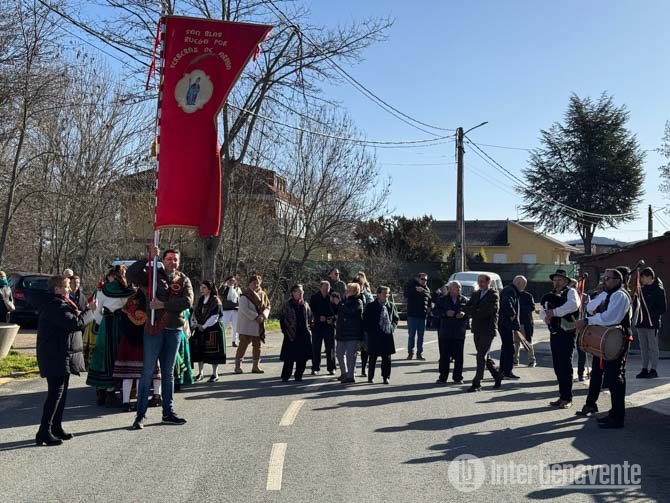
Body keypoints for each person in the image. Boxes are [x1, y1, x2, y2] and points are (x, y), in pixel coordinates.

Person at [126, 247, 194, 430]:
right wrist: (149, 257)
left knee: (168, 373)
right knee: (147, 372)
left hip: (174, 330)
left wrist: (163, 304)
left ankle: (168, 413)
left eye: (175, 259)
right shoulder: (152, 275)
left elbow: (187, 302)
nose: (173, 262)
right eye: (169, 258)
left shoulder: (184, 280)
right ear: (163, 260)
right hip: (154, 329)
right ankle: (140, 415)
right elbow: (131, 274)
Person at [35, 275, 96, 445]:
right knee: (55, 394)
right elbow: (75, 323)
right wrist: (90, 310)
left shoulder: (64, 303)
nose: (70, 289)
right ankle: (44, 431)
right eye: (67, 286)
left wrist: (85, 310)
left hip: (63, 354)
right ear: (57, 289)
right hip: (55, 355)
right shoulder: (55, 305)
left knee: (61, 394)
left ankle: (56, 427)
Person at [575, 268, 632, 428]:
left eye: (607, 278)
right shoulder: (608, 294)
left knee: (615, 377)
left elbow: (610, 318)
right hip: (606, 339)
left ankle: (617, 417)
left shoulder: (620, 295)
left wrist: (588, 321)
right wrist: (601, 296)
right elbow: (590, 307)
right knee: (599, 373)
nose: (604, 281)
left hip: (616, 340)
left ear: (617, 280)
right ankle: (601, 408)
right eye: (603, 278)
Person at [86, 266, 136, 408]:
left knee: (104, 357)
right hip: (123, 325)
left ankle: (104, 391)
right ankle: (111, 392)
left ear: (111, 276)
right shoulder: (130, 291)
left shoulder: (103, 290)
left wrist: (102, 323)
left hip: (107, 325)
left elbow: (97, 312)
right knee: (118, 356)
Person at [112, 288, 162, 412]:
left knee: (128, 374)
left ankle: (125, 402)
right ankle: (141, 400)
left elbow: (122, 326)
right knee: (141, 374)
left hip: (128, 343)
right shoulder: (149, 310)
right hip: (145, 342)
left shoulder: (126, 309)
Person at [540, 269, 580, 409]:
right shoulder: (549, 295)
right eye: (555, 280)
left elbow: (573, 305)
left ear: (566, 281)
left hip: (567, 333)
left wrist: (554, 312)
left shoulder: (571, 292)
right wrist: (545, 317)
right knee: (558, 366)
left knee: (565, 365)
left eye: (560, 280)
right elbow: (543, 310)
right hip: (555, 333)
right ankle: (562, 396)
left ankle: (568, 398)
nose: (557, 282)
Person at [463, 274, 502, 392]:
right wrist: (475, 311)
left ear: (488, 282)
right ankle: (497, 375)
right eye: (479, 281)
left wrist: (474, 311)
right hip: (477, 329)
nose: (480, 283)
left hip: (488, 330)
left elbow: (488, 312)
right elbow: (467, 307)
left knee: (480, 356)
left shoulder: (493, 295)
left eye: (482, 281)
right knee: (484, 356)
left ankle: (477, 382)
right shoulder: (476, 294)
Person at [190, 281, 227, 382]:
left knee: (214, 353)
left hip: (213, 329)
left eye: (204, 288)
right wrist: (196, 324)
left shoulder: (216, 301)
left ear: (209, 289)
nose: (201, 289)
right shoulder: (201, 299)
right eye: (201, 287)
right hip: (200, 328)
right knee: (200, 351)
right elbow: (196, 312)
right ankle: (200, 373)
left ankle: (215, 374)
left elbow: (215, 317)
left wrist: (204, 326)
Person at [434, 280, 469, 384]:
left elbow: (470, 312)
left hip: (459, 333)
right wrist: (445, 313)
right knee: (444, 356)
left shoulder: (464, 300)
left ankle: (458, 378)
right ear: (450, 289)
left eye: (460, 287)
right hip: (445, 332)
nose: (459, 289)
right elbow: (435, 312)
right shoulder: (442, 299)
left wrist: (464, 314)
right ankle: (443, 377)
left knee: (459, 357)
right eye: (456, 287)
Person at [235, 275, 271, 374]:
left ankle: (255, 366)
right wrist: (256, 316)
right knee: (243, 346)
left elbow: (268, 306)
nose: (256, 285)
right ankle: (237, 366)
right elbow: (244, 309)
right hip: (247, 325)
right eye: (254, 283)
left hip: (259, 325)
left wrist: (263, 315)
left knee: (257, 346)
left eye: (258, 283)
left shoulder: (263, 294)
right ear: (249, 283)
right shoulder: (244, 295)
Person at [635, 267, 667, 379]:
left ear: (649, 277)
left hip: (652, 323)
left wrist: (651, 315)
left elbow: (662, 308)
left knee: (653, 347)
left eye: (643, 277)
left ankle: (653, 369)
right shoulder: (641, 290)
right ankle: (644, 368)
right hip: (641, 323)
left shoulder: (658, 290)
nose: (641, 280)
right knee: (643, 347)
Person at [364, 286, 399, 385]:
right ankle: (370, 377)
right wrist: (370, 332)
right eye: (384, 293)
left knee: (386, 358)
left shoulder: (391, 305)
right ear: (378, 294)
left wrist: (391, 328)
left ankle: (386, 377)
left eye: (388, 293)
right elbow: (365, 320)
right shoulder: (371, 306)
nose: (386, 295)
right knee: (373, 357)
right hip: (374, 335)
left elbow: (395, 319)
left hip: (387, 335)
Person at [280, 284, 313, 382]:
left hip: (304, 334)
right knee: (289, 357)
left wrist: (310, 329)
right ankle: (286, 375)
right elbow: (282, 319)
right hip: (291, 334)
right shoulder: (287, 305)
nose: (301, 293)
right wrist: (285, 331)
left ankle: (299, 375)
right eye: (298, 291)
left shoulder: (305, 304)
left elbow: (310, 318)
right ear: (293, 293)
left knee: (302, 357)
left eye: (302, 291)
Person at [336, 283, 364, 383]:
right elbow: (338, 312)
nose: (347, 291)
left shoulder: (358, 302)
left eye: (349, 290)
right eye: (347, 289)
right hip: (341, 332)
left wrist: (341, 304)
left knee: (351, 355)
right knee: (339, 353)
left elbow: (350, 312)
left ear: (355, 292)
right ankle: (344, 373)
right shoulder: (344, 301)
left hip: (352, 332)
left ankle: (350, 375)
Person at [499, 276, 526, 379]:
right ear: (519, 283)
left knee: (506, 347)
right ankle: (507, 372)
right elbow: (507, 302)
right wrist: (512, 313)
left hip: (504, 323)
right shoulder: (511, 291)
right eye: (523, 285)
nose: (523, 288)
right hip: (507, 324)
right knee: (509, 348)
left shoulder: (508, 289)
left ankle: (502, 371)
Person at [309, 281, 338, 375]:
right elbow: (311, 311)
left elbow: (337, 311)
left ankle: (331, 368)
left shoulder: (333, 297)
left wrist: (330, 319)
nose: (326, 290)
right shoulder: (314, 297)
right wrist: (318, 318)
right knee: (316, 348)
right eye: (324, 288)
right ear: (320, 288)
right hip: (317, 326)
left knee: (331, 348)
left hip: (329, 326)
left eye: (327, 288)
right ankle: (315, 367)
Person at [404, 272, 432, 360]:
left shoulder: (427, 289)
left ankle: (419, 353)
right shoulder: (412, 286)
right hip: (412, 315)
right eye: (422, 279)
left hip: (423, 316)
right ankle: (410, 353)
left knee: (421, 336)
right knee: (411, 336)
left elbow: (429, 299)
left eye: (426, 279)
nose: (424, 281)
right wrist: (415, 290)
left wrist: (429, 307)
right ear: (418, 279)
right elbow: (406, 294)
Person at [569, 278, 591, 381]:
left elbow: (589, 311)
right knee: (569, 352)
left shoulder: (585, 296)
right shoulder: (565, 296)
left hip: (582, 328)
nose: (573, 287)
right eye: (571, 286)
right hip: (569, 328)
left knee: (582, 351)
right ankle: (568, 373)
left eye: (575, 285)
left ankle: (581, 373)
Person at [355, 271, 374, 377]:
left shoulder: (367, 292)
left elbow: (371, 304)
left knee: (365, 349)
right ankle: (352, 369)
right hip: (355, 324)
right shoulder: (352, 292)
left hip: (365, 323)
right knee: (353, 348)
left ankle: (363, 368)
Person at [515, 288, 537, 367]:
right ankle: (515, 360)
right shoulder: (514, 295)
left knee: (527, 342)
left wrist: (520, 308)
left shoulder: (528, 296)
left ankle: (532, 360)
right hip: (516, 323)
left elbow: (532, 307)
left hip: (526, 323)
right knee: (516, 343)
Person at [220, 275, 242, 347]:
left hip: (236, 310)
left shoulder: (238, 289)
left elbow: (241, 298)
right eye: (230, 280)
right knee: (224, 326)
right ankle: (221, 340)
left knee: (235, 326)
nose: (232, 282)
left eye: (233, 280)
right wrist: (224, 285)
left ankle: (234, 341)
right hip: (226, 310)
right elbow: (220, 293)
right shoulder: (225, 288)